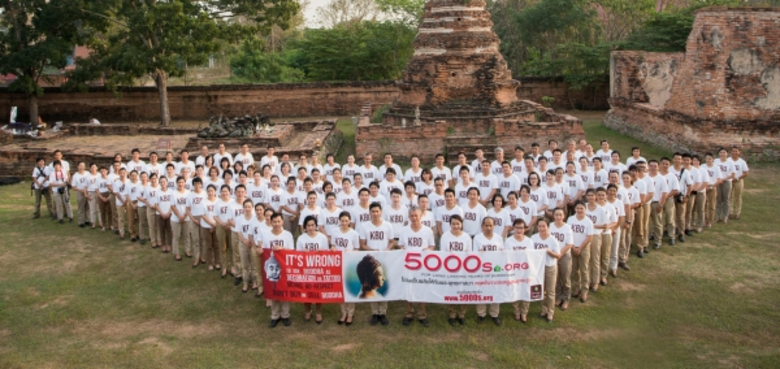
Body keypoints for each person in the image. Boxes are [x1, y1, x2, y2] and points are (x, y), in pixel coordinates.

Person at [358, 202, 395, 326]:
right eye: (372, 211)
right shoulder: (364, 226)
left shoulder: (388, 225)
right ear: (369, 213)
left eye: (377, 211)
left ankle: (383, 313)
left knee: (383, 285)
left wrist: (388, 249)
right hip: (371, 260)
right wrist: (371, 251)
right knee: (371, 285)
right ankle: (374, 312)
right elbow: (362, 244)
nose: (375, 213)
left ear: (381, 212)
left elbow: (392, 241)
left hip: (384, 259)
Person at [398, 206, 435, 328]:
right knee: (408, 288)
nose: (414, 218)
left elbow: (432, 246)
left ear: (421, 216)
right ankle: (409, 313)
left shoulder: (427, 230)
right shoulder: (404, 230)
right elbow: (401, 245)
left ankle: (422, 314)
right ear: (408, 217)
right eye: (412, 216)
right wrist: (402, 249)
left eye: (416, 216)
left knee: (422, 289)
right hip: (408, 265)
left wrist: (427, 250)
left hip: (422, 265)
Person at [296, 215, 330, 323]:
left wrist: (322, 252)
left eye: (312, 225)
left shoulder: (322, 237)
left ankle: (318, 312)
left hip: (319, 269)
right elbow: (297, 255)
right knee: (306, 290)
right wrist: (303, 253)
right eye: (308, 225)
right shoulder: (301, 238)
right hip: (305, 269)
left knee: (318, 290)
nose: (310, 227)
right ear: (305, 227)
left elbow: (328, 254)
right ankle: (308, 310)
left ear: (316, 226)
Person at [527, 219, 562, 323]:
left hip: (550, 267)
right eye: (539, 226)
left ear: (548, 227)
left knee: (550, 291)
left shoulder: (552, 240)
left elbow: (558, 255)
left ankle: (550, 312)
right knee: (541, 290)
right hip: (538, 268)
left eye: (544, 226)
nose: (541, 228)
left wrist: (549, 251)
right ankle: (544, 309)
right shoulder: (533, 238)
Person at [263, 212, 295, 328]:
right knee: (274, 291)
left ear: (283, 222)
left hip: (284, 267)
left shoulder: (288, 235)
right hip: (271, 268)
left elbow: (292, 251)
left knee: (284, 290)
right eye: (274, 222)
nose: (276, 224)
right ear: (271, 222)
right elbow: (263, 251)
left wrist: (282, 249)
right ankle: (275, 315)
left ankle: (285, 315)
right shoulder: (266, 235)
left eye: (278, 221)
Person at [440, 215, 472, 325]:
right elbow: (442, 253)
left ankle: (462, 313)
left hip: (463, 268)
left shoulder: (466, 237)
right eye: (453, 224)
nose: (455, 226)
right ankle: (452, 313)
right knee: (452, 290)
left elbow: (469, 253)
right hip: (450, 267)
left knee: (463, 290)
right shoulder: (445, 236)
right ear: (450, 225)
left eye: (458, 224)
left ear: (461, 224)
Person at [473, 217, 503, 326]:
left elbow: (502, 253)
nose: (488, 227)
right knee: (482, 290)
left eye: (491, 225)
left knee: (495, 289)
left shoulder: (499, 238)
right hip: (482, 268)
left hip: (495, 268)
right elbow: (474, 255)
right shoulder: (477, 238)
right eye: (486, 225)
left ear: (494, 226)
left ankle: (494, 313)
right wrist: (479, 253)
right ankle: (481, 313)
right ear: (482, 226)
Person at [332, 211, 360, 326]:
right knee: (340, 288)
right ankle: (343, 312)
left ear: (349, 221)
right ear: (339, 221)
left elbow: (357, 249)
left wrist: (351, 252)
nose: (344, 223)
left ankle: (350, 313)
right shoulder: (334, 232)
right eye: (342, 220)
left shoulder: (354, 233)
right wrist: (333, 248)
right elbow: (333, 245)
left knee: (350, 287)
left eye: (346, 221)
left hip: (349, 263)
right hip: (338, 263)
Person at [505, 219, 533, 322]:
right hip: (514, 269)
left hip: (526, 270)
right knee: (515, 290)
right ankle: (516, 311)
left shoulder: (529, 241)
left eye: (521, 228)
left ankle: (524, 312)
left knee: (526, 290)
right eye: (517, 227)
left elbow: (533, 257)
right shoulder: (508, 241)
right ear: (513, 228)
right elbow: (506, 256)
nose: (519, 230)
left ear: (525, 229)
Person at [568, 201, 594, 303]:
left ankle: (584, 291)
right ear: (575, 209)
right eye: (577, 208)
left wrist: (580, 248)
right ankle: (577, 288)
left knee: (584, 269)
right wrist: (573, 247)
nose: (579, 210)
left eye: (581, 208)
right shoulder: (570, 219)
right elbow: (568, 234)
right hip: (572, 247)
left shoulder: (588, 222)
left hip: (584, 248)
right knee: (574, 270)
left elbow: (590, 237)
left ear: (585, 209)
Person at [549, 208, 574, 310]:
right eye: (556, 215)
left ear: (564, 216)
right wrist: (555, 254)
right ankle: (558, 297)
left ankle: (566, 298)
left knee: (565, 277)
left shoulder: (567, 228)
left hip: (564, 255)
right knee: (557, 278)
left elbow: (569, 244)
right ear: (553, 216)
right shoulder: (550, 226)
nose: (558, 217)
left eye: (560, 215)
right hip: (553, 255)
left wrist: (559, 254)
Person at [235, 199, 259, 293]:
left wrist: (250, 241)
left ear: (252, 208)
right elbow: (238, 231)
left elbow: (255, 232)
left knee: (254, 264)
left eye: (249, 207)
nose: (247, 208)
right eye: (245, 207)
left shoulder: (255, 218)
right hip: (243, 243)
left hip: (253, 244)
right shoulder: (240, 218)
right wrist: (244, 240)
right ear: (243, 208)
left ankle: (254, 281)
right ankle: (245, 283)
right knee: (245, 265)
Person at [214, 185, 234, 278]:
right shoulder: (217, 203)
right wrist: (221, 223)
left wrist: (230, 224)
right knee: (223, 247)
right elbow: (215, 216)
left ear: (229, 192)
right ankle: (224, 268)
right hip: (221, 226)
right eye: (223, 191)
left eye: (226, 191)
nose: (224, 193)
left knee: (232, 247)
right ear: (220, 192)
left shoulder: (233, 202)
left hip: (231, 227)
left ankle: (233, 267)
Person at [187, 178, 206, 265]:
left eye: (199, 183)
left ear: (201, 184)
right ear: (193, 185)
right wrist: (193, 219)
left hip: (203, 218)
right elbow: (187, 210)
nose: (197, 185)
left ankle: (202, 256)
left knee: (202, 239)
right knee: (195, 239)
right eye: (195, 184)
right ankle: (196, 257)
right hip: (194, 218)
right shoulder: (190, 195)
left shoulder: (205, 194)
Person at [714, 147, 735, 223]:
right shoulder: (716, 161)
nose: (722, 154)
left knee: (726, 199)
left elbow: (733, 174)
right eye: (721, 152)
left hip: (726, 182)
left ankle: (725, 216)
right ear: (719, 153)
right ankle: (718, 216)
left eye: (724, 152)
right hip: (718, 182)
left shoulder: (730, 162)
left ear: (727, 154)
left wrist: (724, 179)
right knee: (718, 199)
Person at [155, 177, 174, 253]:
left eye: (164, 182)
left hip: (170, 213)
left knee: (170, 230)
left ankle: (169, 244)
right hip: (160, 214)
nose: (163, 183)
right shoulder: (157, 192)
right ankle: (163, 245)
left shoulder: (171, 192)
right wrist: (162, 213)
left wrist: (169, 212)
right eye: (161, 182)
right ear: (159, 183)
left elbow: (173, 204)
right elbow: (156, 205)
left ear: (167, 182)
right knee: (161, 230)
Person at [729, 146, 749, 220]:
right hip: (730, 181)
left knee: (738, 197)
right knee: (729, 197)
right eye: (733, 151)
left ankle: (737, 213)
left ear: (739, 152)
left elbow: (746, 173)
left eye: (736, 151)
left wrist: (737, 178)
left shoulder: (742, 162)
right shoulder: (728, 160)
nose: (734, 152)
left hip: (738, 181)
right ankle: (730, 212)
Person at [70, 162, 90, 227]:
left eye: (83, 166)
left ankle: (87, 220)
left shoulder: (88, 173)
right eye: (80, 166)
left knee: (88, 207)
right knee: (81, 207)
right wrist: (81, 190)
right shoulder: (75, 176)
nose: (81, 167)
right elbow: (73, 187)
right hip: (80, 192)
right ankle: (81, 222)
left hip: (88, 191)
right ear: (77, 167)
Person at [96, 166, 112, 231]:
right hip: (101, 194)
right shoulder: (98, 179)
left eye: (104, 171)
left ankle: (111, 225)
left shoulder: (109, 178)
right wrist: (101, 197)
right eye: (101, 171)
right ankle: (104, 225)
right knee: (102, 211)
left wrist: (108, 197)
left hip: (108, 193)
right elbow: (97, 190)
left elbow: (111, 189)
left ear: (107, 171)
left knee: (109, 211)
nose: (103, 172)